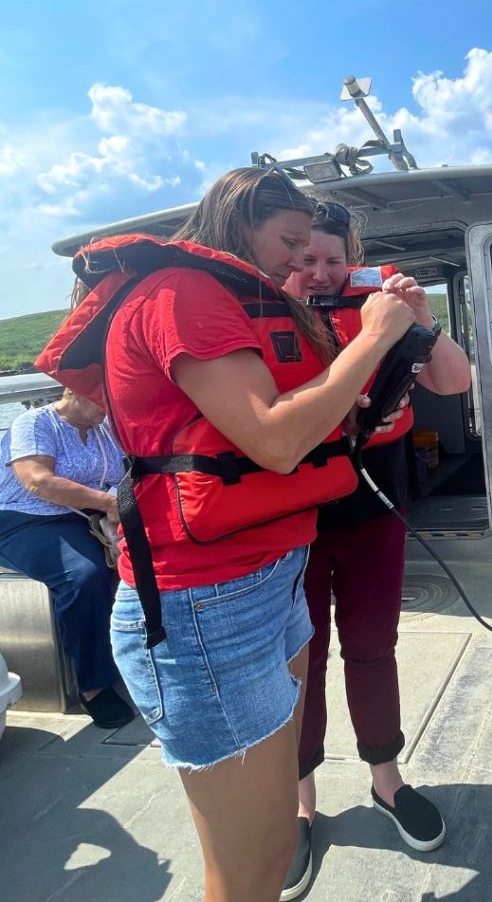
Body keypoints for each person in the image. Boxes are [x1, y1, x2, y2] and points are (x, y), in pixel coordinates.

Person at [35, 167, 416, 902]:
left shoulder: (232, 296)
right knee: (252, 867)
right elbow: (275, 443)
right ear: (240, 219)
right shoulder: (181, 294)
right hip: (208, 609)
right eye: (289, 242)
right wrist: (369, 339)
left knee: (269, 849)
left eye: (312, 248)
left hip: (268, 580)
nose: (300, 262)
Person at [280, 201, 471, 897]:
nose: (321, 274)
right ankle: (300, 807)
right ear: (287, 259)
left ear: (355, 256)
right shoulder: (266, 315)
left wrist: (419, 318)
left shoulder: (383, 308)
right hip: (292, 515)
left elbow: (452, 381)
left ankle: (386, 782)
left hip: (374, 505)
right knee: (299, 662)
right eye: (305, 261)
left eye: (334, 260)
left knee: (371, 645)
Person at [0, 389, 133, 729]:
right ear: (74, 390)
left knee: (157, 552)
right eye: (101, 399)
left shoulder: (106, 430)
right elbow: (37, 481)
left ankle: (141, 653)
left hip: (86, 514)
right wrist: (107, 503)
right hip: (26, 517)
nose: (108, 407)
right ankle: (93, 684)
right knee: (82, 575)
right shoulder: (34, 423)